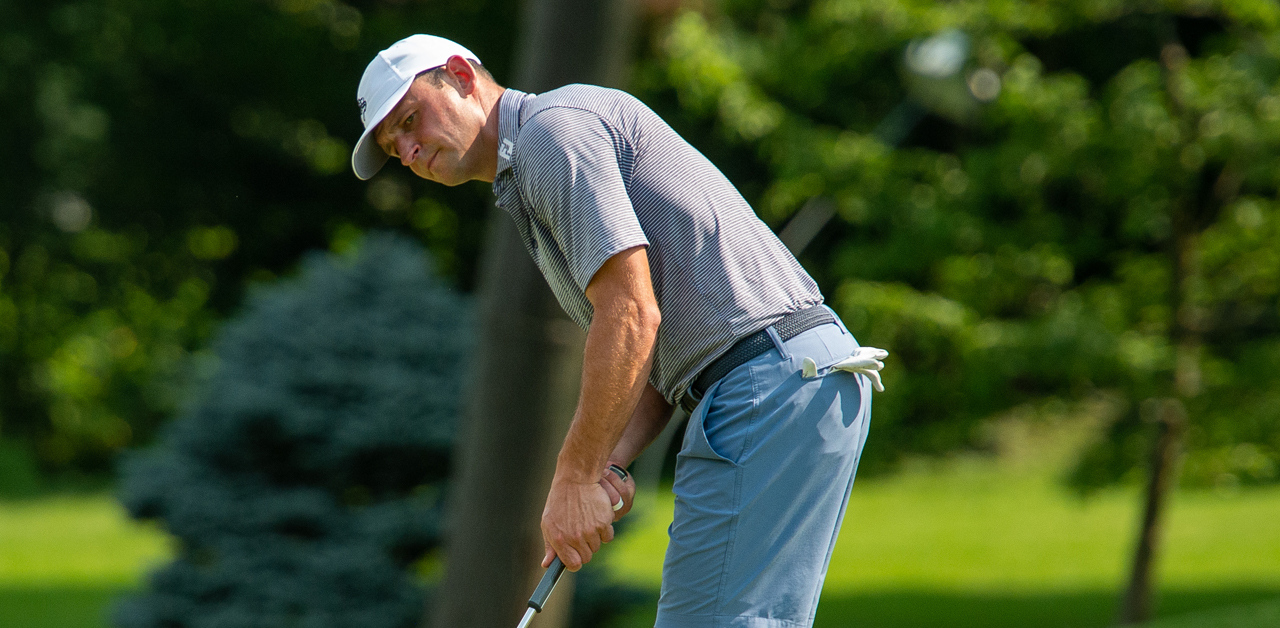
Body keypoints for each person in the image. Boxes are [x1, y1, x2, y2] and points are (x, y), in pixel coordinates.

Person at [351, 34, 886, 628]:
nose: (406, 147)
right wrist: (607, 464)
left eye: (409, 118)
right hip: (793, 378)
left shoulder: (551, 133)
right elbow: (649, 349)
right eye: (392, 144)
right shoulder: (533, 162)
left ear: (460, 74)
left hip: (767, 380)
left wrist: (576, 477)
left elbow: (631, 316)